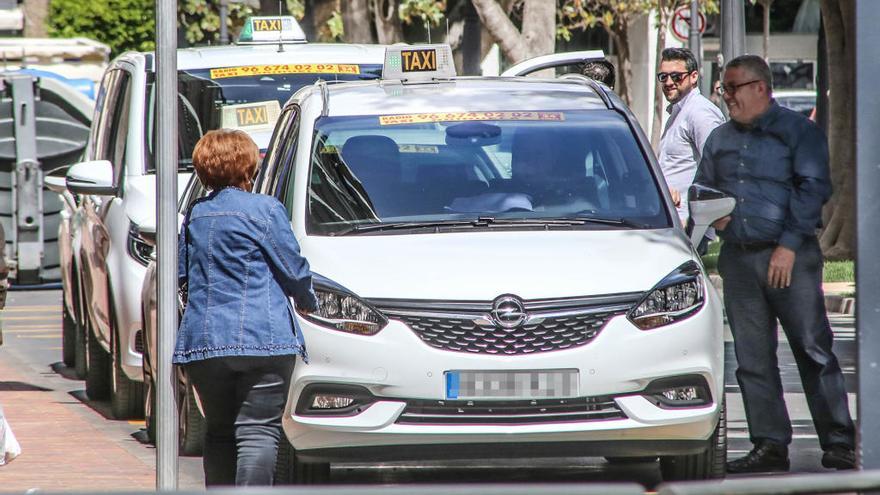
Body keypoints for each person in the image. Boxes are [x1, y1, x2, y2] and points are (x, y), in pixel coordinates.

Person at [695, 55, 856, 473]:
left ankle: (839, 441)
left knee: (812, 349)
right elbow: (703, 186)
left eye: (733, 88)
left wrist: (787, 245)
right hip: (740, 259)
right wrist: (713, 213)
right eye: (723, 88)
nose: (726, 96)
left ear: (761, 88)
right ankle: (769, 444)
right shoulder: (719, 139)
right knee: (751, 359)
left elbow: (813, 187)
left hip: (790, 256)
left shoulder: (798, 133)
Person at [175, 129, 318, 486]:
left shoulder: (195, 213)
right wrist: (308, 301)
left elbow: (181, 275)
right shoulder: (265, 210)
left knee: (219, 432)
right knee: (258, 432)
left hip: (206, 341)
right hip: (264, 338)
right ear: (247, 166)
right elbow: (294, 271)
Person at [656, 47, 724, 225]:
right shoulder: (679, 112)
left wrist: (701, 216)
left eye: (676, 76)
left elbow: (719, 167)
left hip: (689, 223)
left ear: (694, 76)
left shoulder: (700, 113)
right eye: (663, 77)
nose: (669, 82)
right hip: (671, 219)